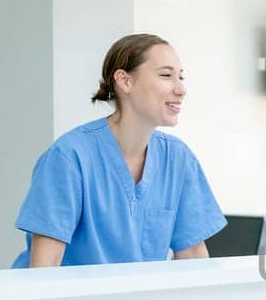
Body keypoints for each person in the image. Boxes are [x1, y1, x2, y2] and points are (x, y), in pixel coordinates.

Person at [12, 33, 224, 268]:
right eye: (166, 75)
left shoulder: (178, 160)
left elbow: (193, 256)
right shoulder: (70, 157)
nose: (181, 89)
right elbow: (44, 269)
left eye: (180, 77)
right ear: (125, 81)